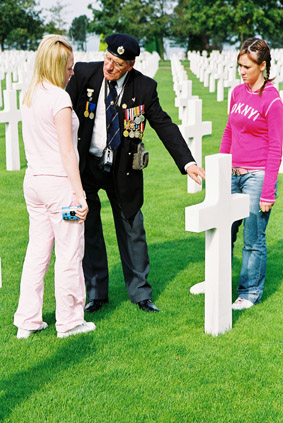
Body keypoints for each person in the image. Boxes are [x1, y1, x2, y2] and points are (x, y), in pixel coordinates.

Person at [66, 33, 205, 313]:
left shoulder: (144, 87)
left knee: (132, 227)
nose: (109, 67)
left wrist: (187, 162)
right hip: (87, 165)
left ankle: (141, 293)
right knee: (88, 227)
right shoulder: (84, 72)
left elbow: (164, 124)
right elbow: (62, 112)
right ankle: (96, 293)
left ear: (130, 64)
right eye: (107, 59)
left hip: (122, 169)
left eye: (116, 64)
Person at [14, 35, 96, 338]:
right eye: (69, 68)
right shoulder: (60, 98)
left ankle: (27, 320)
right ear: (56, 66)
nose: (72, 74)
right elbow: (66, 151)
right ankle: (71, 321)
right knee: (70, 253)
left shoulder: (31, 94)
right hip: (60, 186)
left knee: (37, 252)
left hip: (33, 182)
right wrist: (80, 193)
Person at [221, 38, 283, 309]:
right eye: (239, 66)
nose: (242, 72)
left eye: (247, 67)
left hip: (256, 177)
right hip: (232, 174)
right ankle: (217, 281)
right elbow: (228, 131)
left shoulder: (273, 100)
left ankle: (249, 292)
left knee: (253, 239)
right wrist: (221, 167)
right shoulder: (237, 92)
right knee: (223, 231)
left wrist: (268, 190)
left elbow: (276, 147)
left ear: (263, 66)